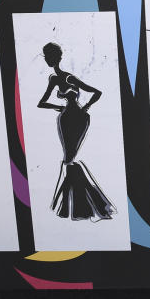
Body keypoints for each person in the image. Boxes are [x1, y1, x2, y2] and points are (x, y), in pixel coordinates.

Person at [38, 42, 115, 222]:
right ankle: (78, 205)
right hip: (65, 118)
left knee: (69, 159)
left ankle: (80, 205)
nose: (49, 60)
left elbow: (97, 92)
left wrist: (85, 107)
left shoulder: (69, 78)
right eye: (47, 57)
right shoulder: (53, 79)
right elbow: (41, 103)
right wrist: (59, 107)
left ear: (58, 57)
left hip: (78, 118)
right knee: (68, 159)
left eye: (51, 57)